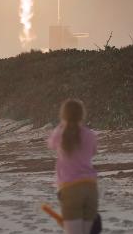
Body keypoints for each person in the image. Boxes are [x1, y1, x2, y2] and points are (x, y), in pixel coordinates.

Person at [48, 99, 99, 234]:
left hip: (70, 188)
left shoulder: (60, 133)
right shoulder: (90, 134)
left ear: (63, 115)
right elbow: (93, 151)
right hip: (90, 187)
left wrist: (63, 124)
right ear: (82, 115)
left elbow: (51, 145)